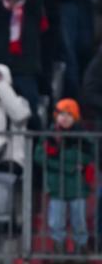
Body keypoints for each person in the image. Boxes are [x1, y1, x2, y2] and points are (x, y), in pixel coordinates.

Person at [34, 99, 93, 255]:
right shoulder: (49, 136)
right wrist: (70, 165)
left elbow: (89, 154)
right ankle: (58, 252)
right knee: (56, 221)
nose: (65, 118)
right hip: (56, 186)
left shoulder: (84, 137)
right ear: (56, 116)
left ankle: (81, 252)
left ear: (76, 117)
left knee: (79, 221)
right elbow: (39, 156)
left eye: (69, 114)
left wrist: (59, 159)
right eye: (61, 114)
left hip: (77, 186)